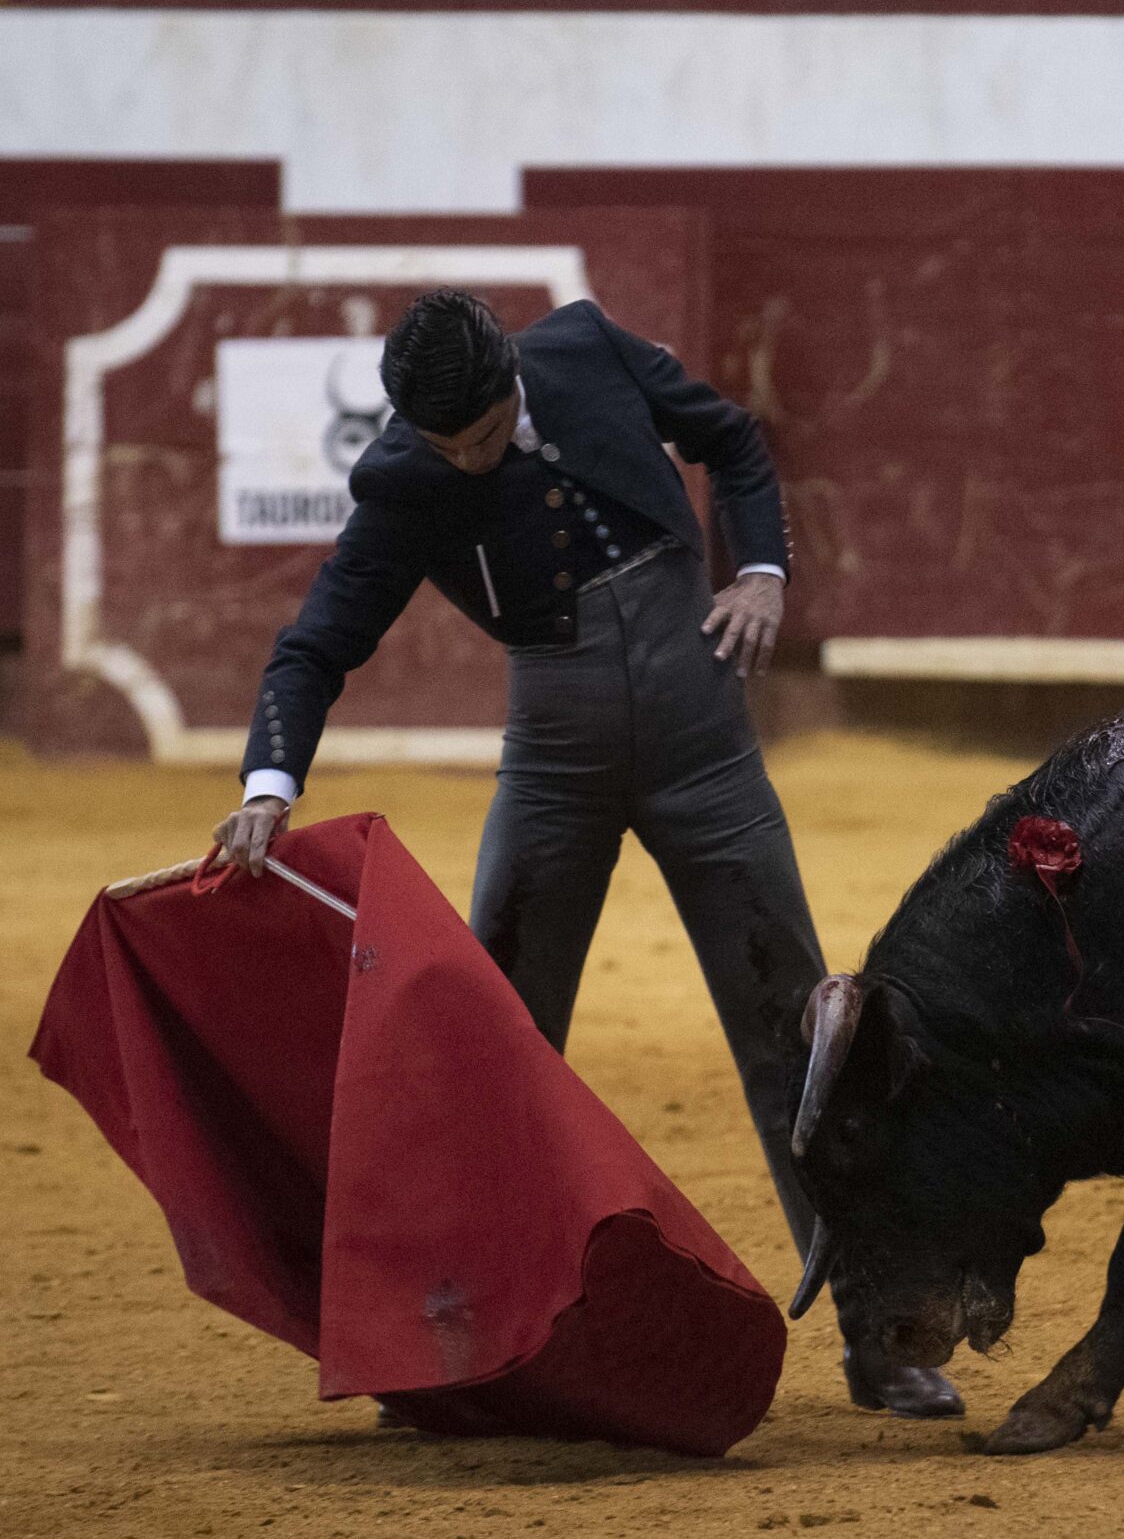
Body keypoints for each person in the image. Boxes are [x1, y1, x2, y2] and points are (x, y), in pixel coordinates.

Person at [208, 289, 960, 1421]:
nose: (467, 460)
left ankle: (881, 1330)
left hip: (708, 750)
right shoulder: (407, 481)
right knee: (495, 1039)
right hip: (553, 767)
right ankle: (445, 1347)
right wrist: (270, 787)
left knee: (795, 1028)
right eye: (444, 445)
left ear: (515, 375)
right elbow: (316, 644)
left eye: (483, 434)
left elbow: (732, 440)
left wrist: (760, 570)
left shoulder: (588, 347)